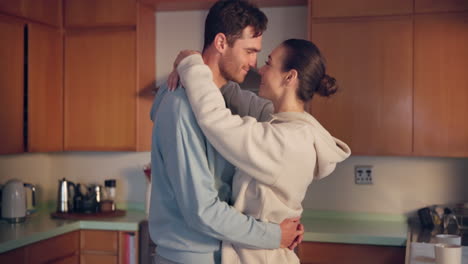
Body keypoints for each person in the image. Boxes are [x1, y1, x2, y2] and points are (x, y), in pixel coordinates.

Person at [170, 39, 351, 263]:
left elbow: (215, 120)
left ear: (290, 77)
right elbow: (235, 95)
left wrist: (191, 65)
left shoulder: (288, 141)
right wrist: (197, 64)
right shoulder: (287, 122)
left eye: (268, 63)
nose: (260, 69)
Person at [148, 1, 303, 264]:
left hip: (222, 252)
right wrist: (273, 234)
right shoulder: (181, 106)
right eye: (249, 52)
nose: (254, 64)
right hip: (192, 257)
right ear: (221, 43)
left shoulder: (223, 99)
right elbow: (202, 210)